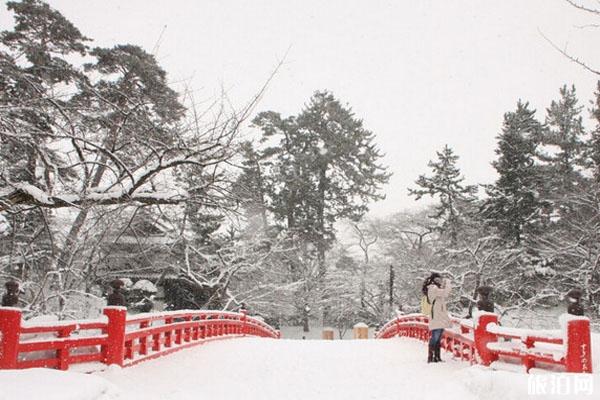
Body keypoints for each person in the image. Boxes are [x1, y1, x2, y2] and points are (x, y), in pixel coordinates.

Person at [422, 272, 452, 363]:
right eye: (438, 279)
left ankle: (436, 357)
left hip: (439, 316)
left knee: (438, 338)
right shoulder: (433, 288)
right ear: (434, 280)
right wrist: (448, 283)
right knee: (435, 337)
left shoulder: (435, 288)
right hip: (436, 316)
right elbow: (446, 293)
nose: (440, 281)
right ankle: (431, 357)